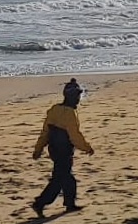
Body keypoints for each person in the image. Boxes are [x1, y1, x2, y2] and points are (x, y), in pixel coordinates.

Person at [31, 78, 94, 216]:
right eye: (77, 96)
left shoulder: (54, 110)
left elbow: (45, 133)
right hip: (64, 150)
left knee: (66, 178)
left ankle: (69, 204)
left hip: (54, 149)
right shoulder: (70, 114)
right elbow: (74, 135)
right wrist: (87, 148)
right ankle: (40, 203)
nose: (78, 99)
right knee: (60, 180)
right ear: (70, 97)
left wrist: (39, 149)